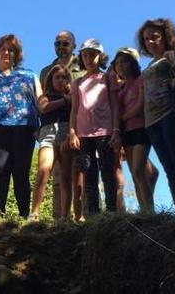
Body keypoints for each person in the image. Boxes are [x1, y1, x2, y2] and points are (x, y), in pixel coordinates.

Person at [138, 18, 175, 214]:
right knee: (169, 169)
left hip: (171, 114)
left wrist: (173, 64)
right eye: (147, 39)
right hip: (152, 121)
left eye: (154, 37)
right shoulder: (148, 66)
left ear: (165, 36)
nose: (150, 42)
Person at [0, 34, 42, 217]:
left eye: (11, 50)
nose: (6, 52)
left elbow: (41, 100)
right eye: (3, 49)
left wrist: (43, 126)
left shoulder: (29, 76)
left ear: (17, 54)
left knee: (21, 172)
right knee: (0, 170)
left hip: (24, 129)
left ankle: (23, 215)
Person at [67, 39, 117, 216]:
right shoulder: (78, 82)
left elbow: (114, 104)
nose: (89, 58)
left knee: (108, 171)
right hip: (83, 132)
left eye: (93, 55)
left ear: (100, 56)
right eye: (85, 55)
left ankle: (111, 212)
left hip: (104, 130)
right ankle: (94, 214)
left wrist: (116, 130)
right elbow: (74, 109)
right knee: (89, 173)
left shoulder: (107, 78)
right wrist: (72, 132)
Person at [39, 30, 85, 218]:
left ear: (74, 46)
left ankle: (84, 217)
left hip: (83, 128)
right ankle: (60, 219)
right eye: (57, 43)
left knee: (82, 172)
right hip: (54, 128)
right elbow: (42, 100)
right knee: (59, 176)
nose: (61, 46)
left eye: (65, 43)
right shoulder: (46, 71)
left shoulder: (83, 66)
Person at [110, 47, 157, 213]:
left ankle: (150, 210)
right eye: (117, 64)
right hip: (126, 133)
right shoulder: (120, 90)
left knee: (138, 170)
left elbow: (141, 105)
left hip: (141, 129)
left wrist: (122, 118)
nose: (121, 66)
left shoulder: (141, 80)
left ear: (133, 64)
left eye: (125, 62)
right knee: (134, 172)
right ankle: (143, 210)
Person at [31, 64, 73, 219]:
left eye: (64, 77)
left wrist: (71, 135)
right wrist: (64, 101)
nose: (61, 80)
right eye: (57, 77)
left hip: (66, 132)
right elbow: (44, 108)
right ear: (50, 80)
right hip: (48, 133)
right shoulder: (45, 96)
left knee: (65, 176)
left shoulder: (73, 97)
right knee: (43, 170)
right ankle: (34, 212)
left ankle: (65, 215)